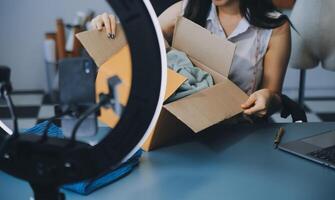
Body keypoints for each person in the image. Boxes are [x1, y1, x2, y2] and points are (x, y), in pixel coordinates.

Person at [91, 0, 291, 119]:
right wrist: (108, 27)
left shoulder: (275, 27)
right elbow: (140, 42)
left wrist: (269, 99)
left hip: (242, 130)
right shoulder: (186, 9)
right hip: (185, 127)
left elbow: (274, 95)